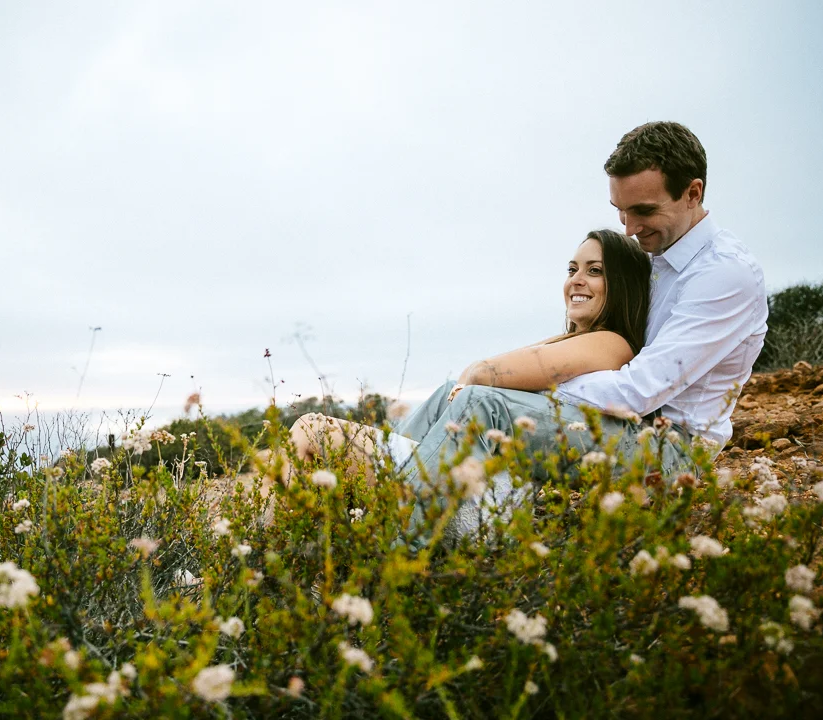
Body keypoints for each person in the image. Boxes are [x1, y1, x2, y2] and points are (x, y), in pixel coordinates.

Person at [288, 122, 767, 536]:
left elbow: (638, 390)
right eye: (619, 209)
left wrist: (539, 381)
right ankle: (388, 488)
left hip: (668, 449)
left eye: (642, 211)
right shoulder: (656, 255)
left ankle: (399, 548)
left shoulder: (723, 275)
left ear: (693, 193)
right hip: (622, 427)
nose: (628, 227)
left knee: (482, 404)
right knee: (450, 393)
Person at [287, 228, 654, 484]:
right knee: (313, 435)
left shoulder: (611, 343)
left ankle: (255, 559)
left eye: (594, 271)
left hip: (466, 485)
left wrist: (473, 377)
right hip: (448, 468)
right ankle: (269, 550)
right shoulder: (572, 341)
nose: (576, 279)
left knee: (311, 429)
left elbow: (485, 374)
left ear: (621, 285)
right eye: (572, 269)